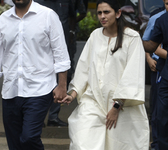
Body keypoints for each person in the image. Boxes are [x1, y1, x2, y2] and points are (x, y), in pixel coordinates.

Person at [59, 0, 150, 149]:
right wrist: (73, 93)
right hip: (93, 101)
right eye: (99, 13)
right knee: (83, 142)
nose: (102, 16)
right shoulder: (95, 35)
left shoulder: (132, 38)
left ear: (118, 13)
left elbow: (133, 75)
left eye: (106, 12)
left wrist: (116, 106)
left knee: (120, 145)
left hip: (122, 105)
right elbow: (84, 67)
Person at [0, 0, 70, 149]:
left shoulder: (48, 15)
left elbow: (60, 53)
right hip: (11, 90)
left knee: (29, 138)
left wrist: (62, 85)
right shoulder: (4, 19)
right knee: (14, 143)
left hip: (40, 89)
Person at [33, 0, 86, 127]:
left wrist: (72, 32)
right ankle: (38, 116)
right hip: (42, 48)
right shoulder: (36, 2)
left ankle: (53, 116)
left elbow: (74, 15)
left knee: (64, 77)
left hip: (65, 43)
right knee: (42, 77)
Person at [142, 2, 167, 149]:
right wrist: (149, 58)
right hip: (161, 69)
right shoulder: (159, 18)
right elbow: (151, 45)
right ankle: (157, 144)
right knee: (159, 112)